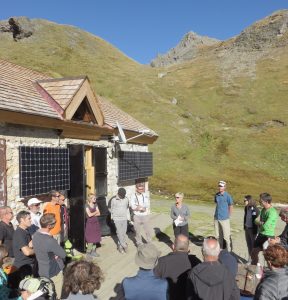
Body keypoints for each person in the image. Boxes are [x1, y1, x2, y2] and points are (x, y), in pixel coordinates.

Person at [154, 234, 201, 300]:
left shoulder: (161, 262)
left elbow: (153, 283)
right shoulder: (195, 262)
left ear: (173, 246)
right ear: (188, 249)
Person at [32, 213, 66, 299]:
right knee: (56, 294)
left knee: (47, 293)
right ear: (49, 226)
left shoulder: (35, 235)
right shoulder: (49, 240)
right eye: (54, 223)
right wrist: (55, 255)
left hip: (41, 269)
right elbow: (63, 254)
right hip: (53, 270)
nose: (55, 225)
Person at [251, 193, 278, 265]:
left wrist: (260, 223)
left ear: (266, 202)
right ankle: (254, 267)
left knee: (268, 256)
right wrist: (261, 223)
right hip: (261, 234)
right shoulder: (263, 209)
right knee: (253, 252)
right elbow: (255, 220)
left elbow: (266, 226)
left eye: (261, 202)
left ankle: (271, 271)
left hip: (268, 236)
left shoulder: (272, 212)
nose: (259, 203)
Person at [12, 211, 35, 276]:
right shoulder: (19, 233)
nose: (31, 220)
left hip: (29, 264)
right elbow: (27, 252)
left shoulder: (26, 231)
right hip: (24, 266)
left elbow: (29, 247)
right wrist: (38, 250)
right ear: (22, 220)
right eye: (29, 219)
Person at [214, 180, 233, 251]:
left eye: (221, 186)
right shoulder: (216, 195)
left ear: (225, 187)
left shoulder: (228, 196)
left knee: (226, 236)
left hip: (225, 219)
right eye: (219, 186)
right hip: (216, 218)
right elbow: (216, 203)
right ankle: (219, 249)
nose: (220, 187)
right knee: (218, 235)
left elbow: (231, 206)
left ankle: (229, 250)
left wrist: (229, 215)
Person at [110, 188, 129, 253]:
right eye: (122, 195)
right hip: (117, 219)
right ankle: (124, 245)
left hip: (124, 218)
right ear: (118, 194)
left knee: (123, 233)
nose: (123, 196)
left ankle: (120, 245)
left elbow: (126, 207)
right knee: (119, 232)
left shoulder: (126, 199)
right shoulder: (113, 200)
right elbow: (111, 209)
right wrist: (114, 216)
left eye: (124, 195)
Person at [85, 193, 101, 258]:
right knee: (90, 240)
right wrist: (95, 212)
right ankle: (88, 253)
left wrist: (93, 213)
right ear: (90, 199)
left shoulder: (95, 204)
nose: (95, 199)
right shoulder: (86, 205)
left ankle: (93, 251)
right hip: (90, 224)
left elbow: (99, 213)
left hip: (95, 223)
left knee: (95, 238)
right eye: (94, 198)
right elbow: (89, 215)